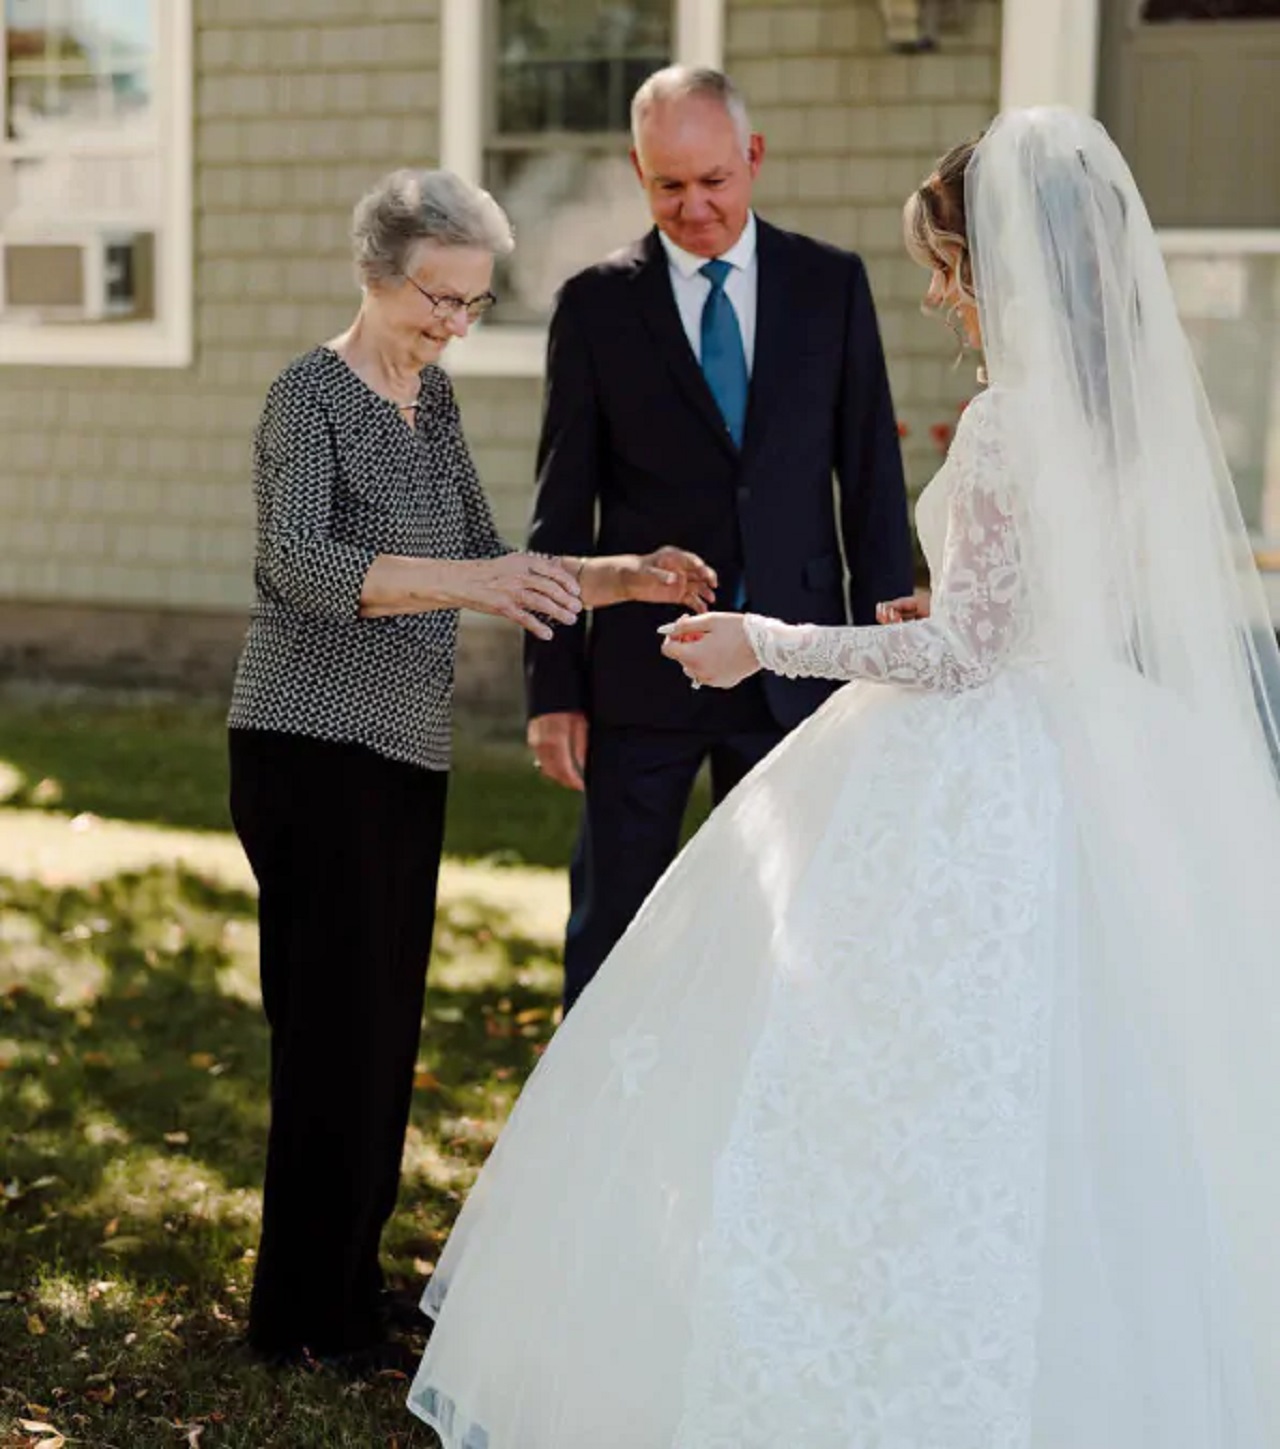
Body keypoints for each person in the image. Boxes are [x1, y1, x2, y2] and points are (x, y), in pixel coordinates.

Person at [407, 110, 1280, 1445]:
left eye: (950, 267)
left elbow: (967, 651)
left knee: (893, 1083)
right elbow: (1048, 613)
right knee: (1100, 1083)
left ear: (1003, 268)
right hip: (1107, 741)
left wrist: (764, 639)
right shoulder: (1131, 422)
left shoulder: (1006, 424)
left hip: (988, 770)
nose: (940, 293)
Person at [226, 167, 714, 1375]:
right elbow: (296, 564)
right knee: (330, 1030)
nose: (451, 325)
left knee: (385, 1027)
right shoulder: (309, 395)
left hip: (402, 751)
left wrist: (619, 574)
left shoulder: (427, 407)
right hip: (305, 744)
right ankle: (296, 1318)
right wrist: (472, 584)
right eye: (435, 301)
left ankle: (351, 1283)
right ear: (376, 275)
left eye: (472, 305)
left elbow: (491, 559)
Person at [524, 65, 914, 1011]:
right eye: (669, 185)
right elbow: (560, 513)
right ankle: (594, 1122)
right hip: (640, 674)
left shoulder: (831, 286)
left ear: (754, 157)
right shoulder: (595, 306)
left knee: (793, 920)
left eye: (714, 180)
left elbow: (869, 478)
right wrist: (555, 690)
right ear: (638, 170)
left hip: (797, 661)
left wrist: (888, 648)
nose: (695, 206)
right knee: (613, 920)